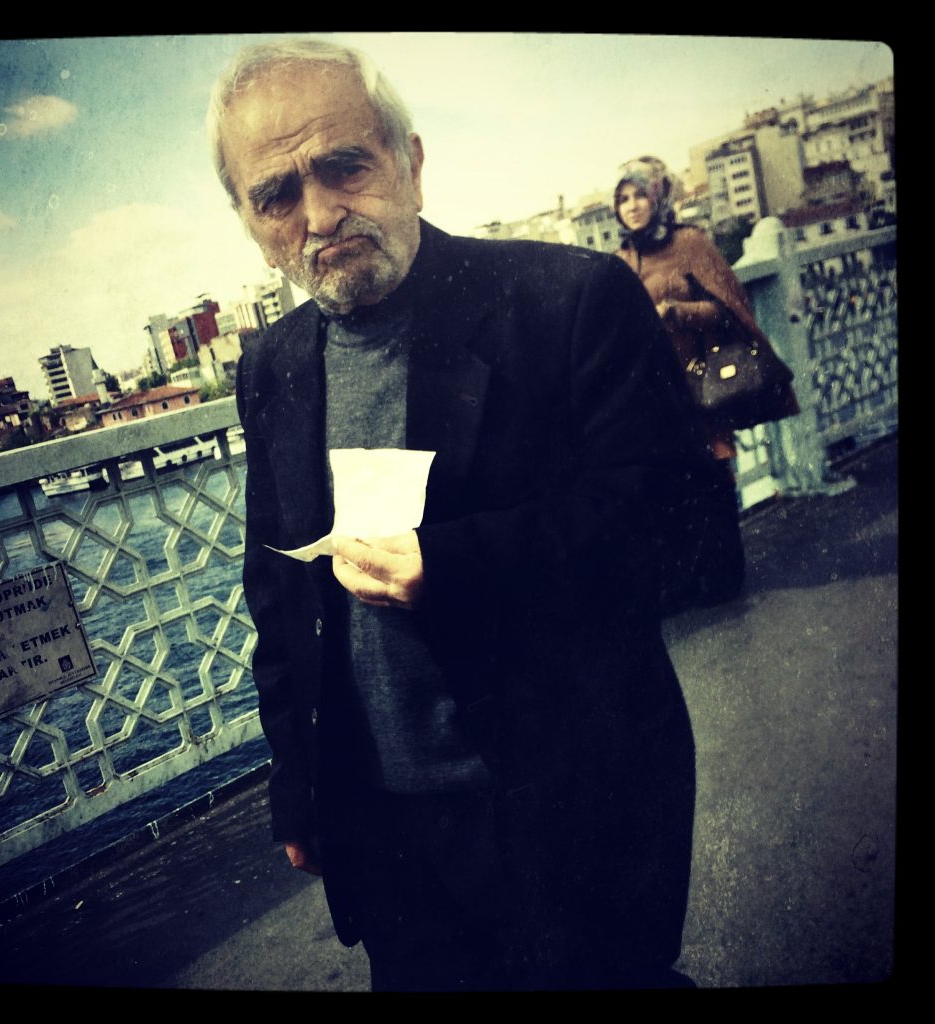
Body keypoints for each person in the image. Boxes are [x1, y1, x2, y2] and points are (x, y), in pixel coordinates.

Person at [209, 40, 712, 991]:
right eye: (276, 193)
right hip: (387, 829)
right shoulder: (273, 366)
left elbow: (672, 526)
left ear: (410, 160)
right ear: (246, 217)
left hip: (568, 795)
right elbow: (277, 590)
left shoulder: (566, 301)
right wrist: (298, 788)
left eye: (344, 165)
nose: (319, 214)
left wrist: (453, 563)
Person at [613, 156, 798, 610]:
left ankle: (723, 577)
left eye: (640, 195)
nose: (632, 206)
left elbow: (730, 307)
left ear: (658, 197)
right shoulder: (620, 260)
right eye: (623, 198)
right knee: (670, 485)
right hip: (653, 393)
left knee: (712, 476)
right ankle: (686, 580)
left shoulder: (689, 243)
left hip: (697, 383)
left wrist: (677, 311)